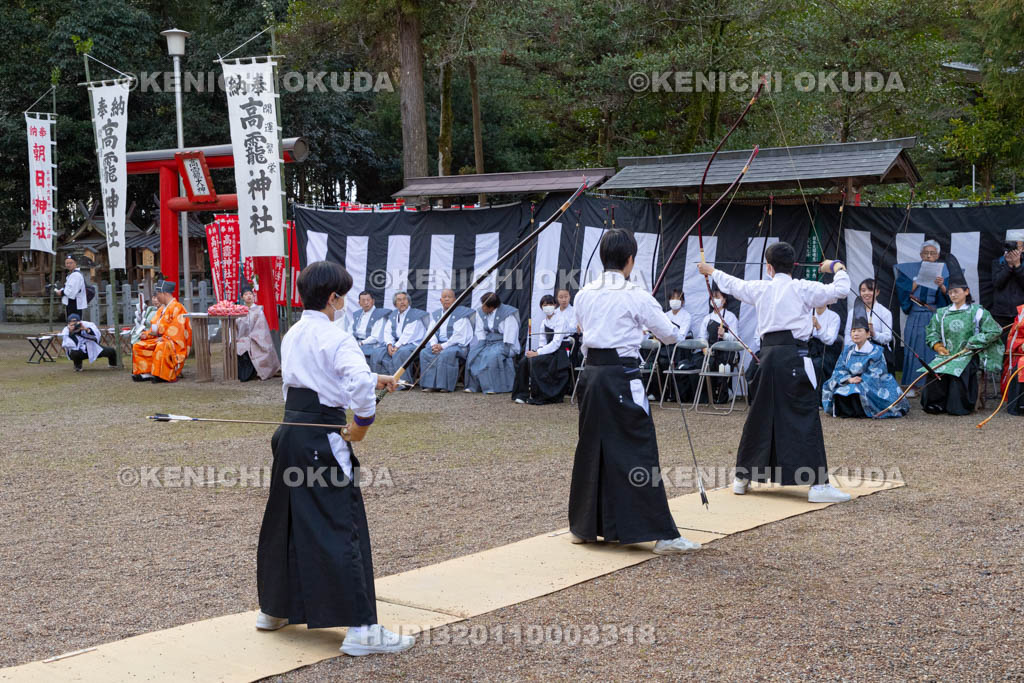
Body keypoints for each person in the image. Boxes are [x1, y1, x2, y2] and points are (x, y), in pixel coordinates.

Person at [255, 260, 414, 656]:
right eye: (342, 295)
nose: (343, 302)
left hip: (291, 435)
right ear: (332, 298)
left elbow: (312, 381)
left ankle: (274, 609)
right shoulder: (337, 336)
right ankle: (361, 629)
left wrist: (376, 378)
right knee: (341, 525)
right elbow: (357, 387)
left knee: (286, 521)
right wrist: (360, 424)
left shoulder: (293, 333)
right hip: (322, 440)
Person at [569, 228, 700, 555]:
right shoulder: (636, 295)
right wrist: (669, 326)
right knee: (637, 450)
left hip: (591, 376)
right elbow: (669, 335)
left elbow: (584, 329)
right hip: (621, 378)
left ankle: (586, 527)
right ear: (630, 260)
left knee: (592, 446)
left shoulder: (584, 293)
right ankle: (661, 534)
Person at [698, 242, 853, 503]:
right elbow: (841, 289)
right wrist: (836, 266)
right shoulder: (802, 287)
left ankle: (741, 479)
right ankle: (818, 485)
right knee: (803, 416)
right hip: (794, 358)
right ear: (792, 265)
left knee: (760, 415)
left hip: (767, 359)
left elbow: (733, 284)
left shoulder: (761, 287)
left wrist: (711, 271)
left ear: (768, 267)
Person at [920, 275, 1003, 416]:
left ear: (966, 291)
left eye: (956, 291)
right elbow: (931, 333)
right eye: (950, 292)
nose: (953, 295)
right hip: (947, 354)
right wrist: (938, 347)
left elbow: (995, 330)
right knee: (934, 371)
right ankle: (935, 405)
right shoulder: (942, 313)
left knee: (958, 371)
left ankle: (959, 406)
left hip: (969, 354)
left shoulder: (978, 312)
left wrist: (973, 343)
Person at [821, 316, 908, 418]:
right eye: (853, 331)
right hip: (850, 379)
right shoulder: (847, 351)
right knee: (834, 386)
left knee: (856, 390)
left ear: (868, 334)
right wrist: (848, 379)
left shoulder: (876, 351)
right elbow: (840, 369)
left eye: (859, 331)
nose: (856, 334)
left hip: (871, 381)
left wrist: (859, 380)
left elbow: (877, 373)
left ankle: (862, 410)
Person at [512, 295, 571, 405]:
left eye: (550, 304)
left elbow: (556, 343)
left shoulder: (561, 320)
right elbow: (543, 341)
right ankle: (522, 393)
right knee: (524, 361)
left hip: (560, 352)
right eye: (545, 305)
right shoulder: (544, 322)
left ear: (555, 305)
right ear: (541, 307)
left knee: (535, 361)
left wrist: (538, 353)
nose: (548, 307)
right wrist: (537, 351)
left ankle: (540, 394)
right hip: (548, 350)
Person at [131, 280, 192, 383]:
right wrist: (147, 334)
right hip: (161, 339)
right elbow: (155, 327)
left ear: (165, 294)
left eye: (158, 294)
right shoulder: (162, 309)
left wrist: (164, 338)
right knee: (139, 345)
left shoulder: (178, 308)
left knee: (161, 346)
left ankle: (162, 374)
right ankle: (147, 372)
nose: (157, 297)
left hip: (173, 343)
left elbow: (178, 330)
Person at [419, 288, 474, 393]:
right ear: (440, 300)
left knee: (445, 353)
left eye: (449, 297)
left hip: (456, 346)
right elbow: (431, 332)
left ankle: (444, 385)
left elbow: (459, 336)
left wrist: (442, 346)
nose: (447, 299)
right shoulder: (436, 315)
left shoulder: (461, 314)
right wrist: (434, 344)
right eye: (444, 297)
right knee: (425, 352)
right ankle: (430, 385)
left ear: (455, 299)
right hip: (439, 344)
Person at [464, 291, 520, 394]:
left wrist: (505, 348)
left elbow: (510, 335)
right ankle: (475, 386)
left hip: (504, 343)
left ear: (492, 307)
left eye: (484, 306)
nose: (482, 307)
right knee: (474, 354)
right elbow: (480, 331)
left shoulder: (508, 314)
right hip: (487, 342)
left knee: (490, 357)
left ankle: (493, 387)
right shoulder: (481, 313)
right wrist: (481, 345)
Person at [697, 285, 742, 403]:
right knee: (705, 363)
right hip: (711, 352)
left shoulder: (730, 317)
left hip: (727, 352)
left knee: (723, 366)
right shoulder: (707, 318)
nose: (714, 300)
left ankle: (724, 393)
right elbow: (702, 337)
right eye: (712, 297)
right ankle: (708, 396)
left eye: (717, 297)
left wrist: (725, 335)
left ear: (724, 300)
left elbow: (737, 339)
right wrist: (705, 349)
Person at [845, 278, 894, 372]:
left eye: (870, 290)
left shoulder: (885, 312)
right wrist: (854, 348)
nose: (866, 293)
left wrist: (874, 333)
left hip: (879, 350)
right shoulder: (853, 312)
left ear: (877, 292)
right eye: (863, 290)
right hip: (857, 349)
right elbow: (847, 334)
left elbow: (888, 337)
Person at [659, 289, 697, 402]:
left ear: (683, 301)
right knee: (661, 362)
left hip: (680, 348)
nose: (674, 301)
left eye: (677, 298)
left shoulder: (686, 316)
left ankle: (679, 394)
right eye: (672, 298)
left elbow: (682, 335)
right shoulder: (665, 315)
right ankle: (664, 393)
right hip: (666, 346)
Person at [236, 286, 281, 381]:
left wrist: (252, 337)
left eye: (250, 294)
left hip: (256, 339)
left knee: (253, 346)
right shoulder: (239, 311)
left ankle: (257, 372)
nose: (248, 296)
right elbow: (236, 327)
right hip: (243, 338)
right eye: (245, 294)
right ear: (242, 297)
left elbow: (262, 328)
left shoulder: (259, 310)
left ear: (253, 296)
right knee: (240, 346)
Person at [383, 292, 427, 382]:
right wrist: (389, 344)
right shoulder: (393, 315)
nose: (402, 302)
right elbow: (387, 332)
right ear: (395, 304)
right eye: (399, 300)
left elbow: (408, 335)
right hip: (397, 343)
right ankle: (385, 380)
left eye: (404, 299)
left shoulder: (415, 315)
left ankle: (403, 382)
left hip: (413, 344)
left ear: (408, 301)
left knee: (400, 352)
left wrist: (396, 346)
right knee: (379, 352)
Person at [990, 239, 1024, 343]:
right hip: (1001, 313)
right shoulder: (998, 262)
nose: (1012, 249)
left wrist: (1017, 265)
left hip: (1021, 313)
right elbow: (997, 284)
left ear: (1022, 248)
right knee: (1001, 345)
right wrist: (1008, 266)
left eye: (1016, 247)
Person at [808, 304, 842, 401]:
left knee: (817, 364)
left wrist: (818, 326)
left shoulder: (834, 316)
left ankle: (819, 399)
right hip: (809, 347)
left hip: (826, 350)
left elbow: (830, 340)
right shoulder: (807, 314)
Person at [352, 292, 392, 373]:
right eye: (363, 300)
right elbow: (350, 331)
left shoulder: (380, 315)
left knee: (357, 355)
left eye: (368, 300)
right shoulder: (357, 314)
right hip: (357, 342)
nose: (366, 303)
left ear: (373, 301)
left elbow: (376, 337)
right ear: (359, 303)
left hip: (372, 344)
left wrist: (361, 343)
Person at [1001, 304, 1024, 415]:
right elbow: (1014, 336)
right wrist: (1021, 345)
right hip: (1022, 353)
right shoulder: (1022, 313)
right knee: (1021, 364)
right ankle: (1019, 405)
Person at [55, 254, 88, 319]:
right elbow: (68, 287)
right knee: (72, 323)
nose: (68, 265)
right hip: (71, 301)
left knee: (74, 323)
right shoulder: (72, 274)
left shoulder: (76, 275)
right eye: (67, 263)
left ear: (75, 263)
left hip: (74, 302)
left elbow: (72, 291)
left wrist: (61, 292)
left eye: (71, 263)